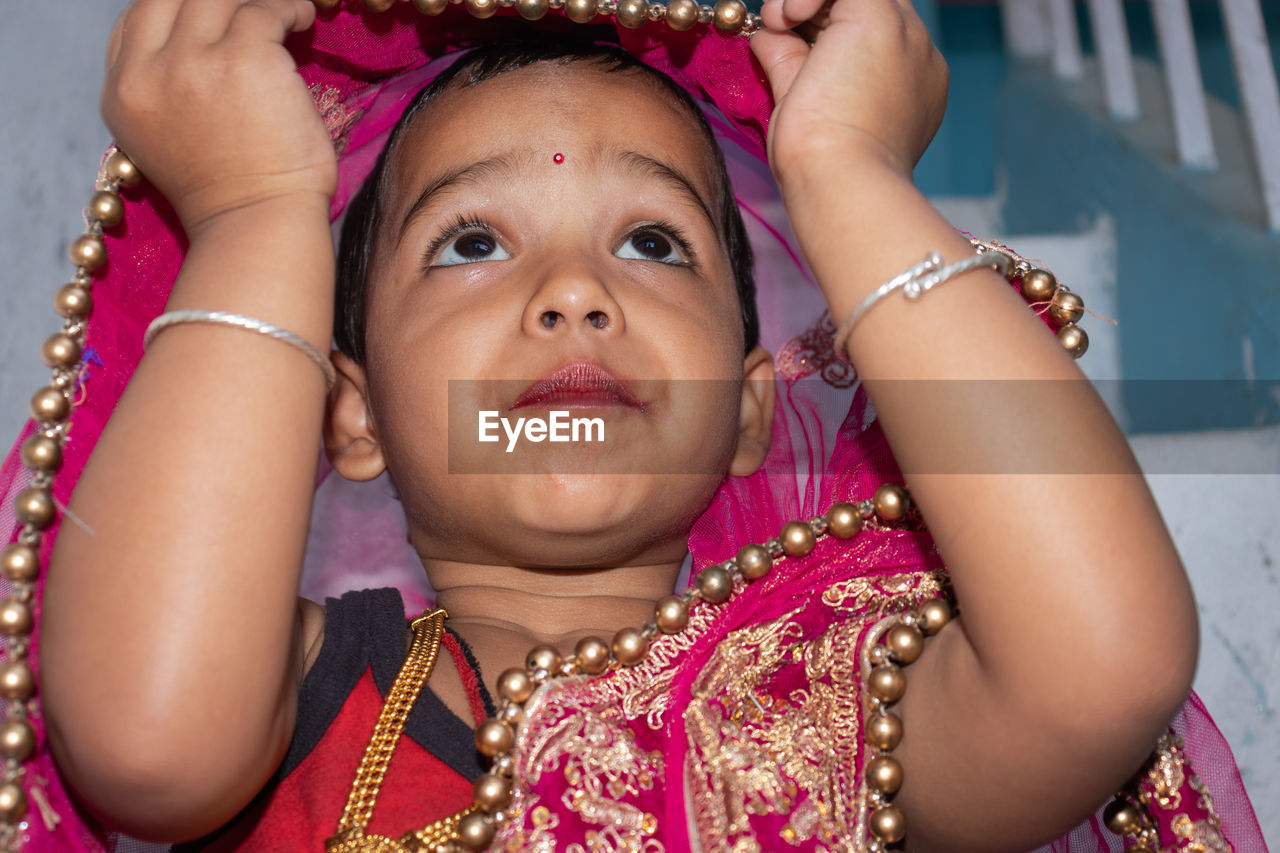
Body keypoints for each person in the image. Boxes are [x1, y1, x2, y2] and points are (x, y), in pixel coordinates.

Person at [0, 0, 1262, 851]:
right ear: (351, 412)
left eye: (652, 242)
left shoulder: (829, 703)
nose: (572, 293)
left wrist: (844, 172)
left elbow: (1099, 660)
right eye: (471, 242)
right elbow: (145, 745)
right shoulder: (290, 693)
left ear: (750, 411)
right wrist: (252, 208)